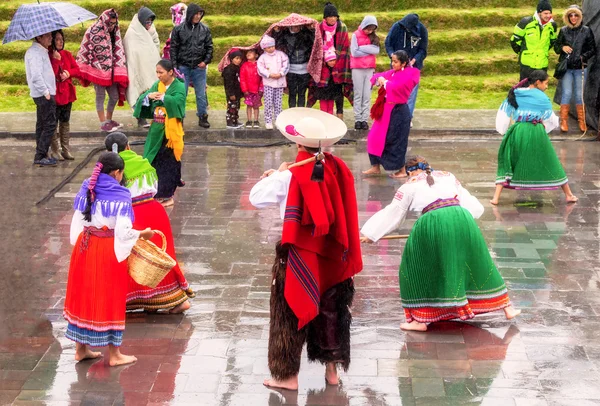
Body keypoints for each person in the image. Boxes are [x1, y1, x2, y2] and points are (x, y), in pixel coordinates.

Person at [249, 108, 362, 390]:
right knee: (332, 312)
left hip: (300, 254)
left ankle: (287, 376)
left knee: (288, 312)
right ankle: (332, 372)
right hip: (332, 254)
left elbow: (256, 197)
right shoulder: (338, 168)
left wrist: (275, 175)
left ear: (298, 143)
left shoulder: (290, 175)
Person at [361, 155, 521, 332]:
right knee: (477, 262)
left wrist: (371, 234)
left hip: (434, 220)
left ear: (410, 172)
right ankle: (507, 307)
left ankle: (419, 320)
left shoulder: (409, 185)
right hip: (462, 218)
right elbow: (471, 204)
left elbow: (394, 212)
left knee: (415, 265)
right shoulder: (448, 176)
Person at [63, 152, 155, 366]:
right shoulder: (120, 194)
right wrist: (143, 234)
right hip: (106, 251)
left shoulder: (88, 186)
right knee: (110, 297)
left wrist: (77, 246)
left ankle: (81, 349)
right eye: (122, 173)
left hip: (84, 248)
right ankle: (114, 355)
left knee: (83, 295)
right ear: (116, 172)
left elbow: (77, 221)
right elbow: (123, 232)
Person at [104, 133, 194, 313]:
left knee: (129, 258)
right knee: (160, 256)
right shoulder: (143, 162)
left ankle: (132, 299)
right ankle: (175, 300)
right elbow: (154, 188)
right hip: (155, 212)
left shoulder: (110, 169)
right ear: (128, 146)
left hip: (130, 215)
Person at [492, 70, 578, 205]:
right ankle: (569, 194)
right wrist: (548, 127)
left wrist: (503, 130)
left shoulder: (517, 93)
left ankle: (496, 198)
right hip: (536, 131)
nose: (547, 86)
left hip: (518, 131)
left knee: (509, 161)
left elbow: (504, 113)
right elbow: (550, 119)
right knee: (551, 160)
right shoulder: (542, 98)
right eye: (546, 83)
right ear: (538, 82)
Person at [134, 59, 186, 208]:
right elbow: (142, 100)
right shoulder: (157, 85)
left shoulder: (179, 86)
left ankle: (167, 195)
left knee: (168, 163)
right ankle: (155, 193)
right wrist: (147, 98)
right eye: (157, 72)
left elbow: (179, 102)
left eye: (161, 72)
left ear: (170, 72)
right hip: (156, 129)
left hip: (170, 132)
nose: (158, 75)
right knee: (153, 160)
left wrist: (164, 98)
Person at [362, 51, 420, 178]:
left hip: (399, 111)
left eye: (396, 62)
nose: (393, 64)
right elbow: (377, 76)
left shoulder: (412, 73)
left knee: (396, 141)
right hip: (386, 109)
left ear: (404, 63)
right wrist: (379, 80)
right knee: (374, 137)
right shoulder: (393, 72)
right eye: (392, 61)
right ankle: (375, 166)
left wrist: (385, 82)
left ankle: (402, 170)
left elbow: (399, 87)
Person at [77, 9, 129, 133]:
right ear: (105, 20)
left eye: (114, 23)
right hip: (98, 71)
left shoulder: (115, 31)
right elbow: (89, 49)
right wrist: (98, 68)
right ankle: (103, 123)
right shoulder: (94, 30)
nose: (112, 26)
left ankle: (108, 120)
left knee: (114, 96)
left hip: (111, 72)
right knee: (100, 96)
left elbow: (117, 48)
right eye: (110, 23)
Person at [170, 3, 213, 129]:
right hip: (183, 67)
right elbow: (174, 48)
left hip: (199, 68)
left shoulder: (205, 29)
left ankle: (203, 116)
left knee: (200, 94)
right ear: (190, 14)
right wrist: (174, 66)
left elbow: (209, 47)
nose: (198, 16)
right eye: (196, 14)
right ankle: (179, 118)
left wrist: (205, 61)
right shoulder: (178, 29)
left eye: (200, 14)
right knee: (181, 94)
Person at [554, 4, 596, 133]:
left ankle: (582, 121)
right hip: (567, 67)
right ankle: (564, 121)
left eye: (576, 15)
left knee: (579, 95)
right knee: (566, 93)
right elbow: (556, 47)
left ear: (580, 16)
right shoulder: (563, 30)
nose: (573, 17)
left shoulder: (586, 30)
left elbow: (592, 49)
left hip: (580, 67)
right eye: (570, 15)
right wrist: (562, 48)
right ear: (567, 17)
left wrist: (582, 57)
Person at [384, 13, 428, 123]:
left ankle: (407, 118)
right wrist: (393, 57)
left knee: (411, 93)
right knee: (395, 90)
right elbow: (388, 43)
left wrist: (414, 60)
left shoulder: (422, 30)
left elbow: (423, 50)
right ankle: (393, 116)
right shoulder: (397, 27)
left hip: (413, 67)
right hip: (397, 66)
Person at [123, 6, 162, 129]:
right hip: (136, 67)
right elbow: (131, 52)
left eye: (151, 21)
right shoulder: (132, 33)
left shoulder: (152, 30)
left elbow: (156, 43)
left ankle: (154, 115)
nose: (149, 24)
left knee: (153, 90)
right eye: (147, 22)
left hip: (150, 65)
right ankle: (141, 118)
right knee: (139, 92)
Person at [314, 2, 352, 119]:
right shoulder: (319, 28)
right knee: (323, 93)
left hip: (339, 64)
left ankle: (339, 120)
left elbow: (345, 48)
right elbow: (316, 47)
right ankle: (325, 118)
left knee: (338, 94)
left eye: (335, 16)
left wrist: (335, 60)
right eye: (330, 16)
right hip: (323, 66)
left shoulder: (342, 27)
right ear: (325, 18)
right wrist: (326, 60)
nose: (333, 18)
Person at [25, 32, 57, 167]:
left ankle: (42, 153)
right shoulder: (35, 53)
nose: (51, 38)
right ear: (39, 37)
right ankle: (40, 154)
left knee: (42, 124)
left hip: (44, 93)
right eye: (47, 35)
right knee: (50, 124)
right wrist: (46, 92)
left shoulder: (41, 51)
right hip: (43, 94)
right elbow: (36, 76)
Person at [48, 30, 79, 162]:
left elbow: (77, 69)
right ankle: (55, 150)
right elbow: (50, 74)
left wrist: (68, 73)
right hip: (55, 93)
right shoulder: (49, 56)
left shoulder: (67, 54)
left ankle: (65, 149)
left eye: (62, 39)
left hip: (67, 93)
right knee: (53, 123)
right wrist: (56, 61)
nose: (60, 42)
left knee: (65, 122)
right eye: (57, 39)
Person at [510, 0, 557, 80]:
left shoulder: (553, 25)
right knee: (525, 90)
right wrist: (524, 52)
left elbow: (552, 41)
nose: (548, 16)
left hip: (542, 65)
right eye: (545, 13)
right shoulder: (525, 22)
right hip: (527, 65)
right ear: (539, 13)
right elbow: (514, 40)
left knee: (539, 91)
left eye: (550, 13)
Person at [273, 23, 315, 108]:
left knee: (302, 93)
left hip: (304, 69)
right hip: (291, 69)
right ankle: (292, 113)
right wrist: (277, 32)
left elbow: (314, 42)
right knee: (292, 93)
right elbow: (277, 43)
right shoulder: (285, 34)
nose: (296, 28)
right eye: (294, 26)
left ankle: (300, 114)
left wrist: (311, 30)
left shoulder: (306, 34)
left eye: (298, 26)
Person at [350, 16, 379, 130]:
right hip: (357, 68)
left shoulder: (374, 37)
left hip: (369, 69)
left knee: (367, 95)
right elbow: (354, 52)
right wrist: (368, 50)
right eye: (368, 29)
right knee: (358, 94)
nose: (369, 31)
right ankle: (358, 119)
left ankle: (364, 119)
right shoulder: (355, 35)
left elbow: (376, 50)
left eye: (371, 29)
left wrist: (361, 48)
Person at [257, 35, 289, 130]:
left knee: (278, 103)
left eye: (272, 46)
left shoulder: (281, 54)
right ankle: (268, 121)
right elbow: (260, 68)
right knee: (268, 103)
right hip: (268, 83)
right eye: (268, 47)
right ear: (264, 48)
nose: (271, 48)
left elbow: (286, 64)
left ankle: (278, 121)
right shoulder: (262, 58)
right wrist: (269, 74)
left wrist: (281, 73)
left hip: (279, 82)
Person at [240, 48, 263, 128]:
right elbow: (242, 79)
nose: (248, 54)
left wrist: (261, 89)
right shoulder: (244, 65)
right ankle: (249, 120)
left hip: (257, 91)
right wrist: (245, 90)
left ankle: (256, 120)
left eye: (251, 52)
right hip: (248, 91)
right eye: (247, 53)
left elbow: (262, 78)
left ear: (256, 55)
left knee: (256, 106)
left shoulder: (259, 65)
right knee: (249, 106)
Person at [222, 50, 244, 129]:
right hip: (232, 93)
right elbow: (228, 84)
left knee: (236, 107)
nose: (239, 60)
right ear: (231, 59)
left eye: (240, 58)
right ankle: (230, 122)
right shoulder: (229, 70)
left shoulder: (237, 68)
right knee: (231, 107)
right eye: (237, 58)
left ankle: (235, 120)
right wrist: (231, 94)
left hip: (237, 92)